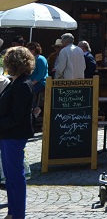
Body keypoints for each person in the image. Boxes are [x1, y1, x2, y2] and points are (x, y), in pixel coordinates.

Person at [0, 46, 34, 219]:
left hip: (14, 134)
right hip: (7, 134)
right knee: (10, 177)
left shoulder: (22, 85)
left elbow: (17, 117)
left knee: (15, 176)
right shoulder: (15, 81)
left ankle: (18, 214)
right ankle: (12, 212)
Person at [26, 43, 46, 128]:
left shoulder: (41, 59)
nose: (29, 50)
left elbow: (41, 74)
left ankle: (35, 108)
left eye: (31, 48)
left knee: (28, 91)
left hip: (41, 82)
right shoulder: (31, 59)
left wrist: (33, 82)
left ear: (35, 49)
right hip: (31, 81)